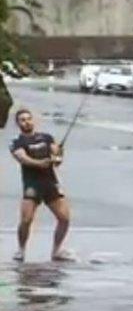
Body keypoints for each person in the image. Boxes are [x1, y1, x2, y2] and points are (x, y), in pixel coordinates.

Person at [9, 108, 72, 262]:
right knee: (26, 220)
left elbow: (56, 160)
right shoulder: (17, 142)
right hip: (32, 184)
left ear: (33, 120)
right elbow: (23, 158)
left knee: (64, 218)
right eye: (22, 120)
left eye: (28, 118)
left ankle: (56, 251)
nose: (26, 122)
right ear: (18, 124)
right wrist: (40, 163)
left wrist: (58, 155)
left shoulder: (46, 137)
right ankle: (21, 250)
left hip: (50, 182)